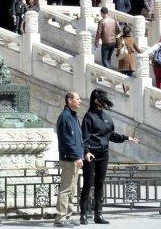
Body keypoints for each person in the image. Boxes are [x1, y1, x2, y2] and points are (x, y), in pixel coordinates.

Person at [79, 89, 139, 225]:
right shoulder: (88, 117)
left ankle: (98, 215)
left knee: (99, 184)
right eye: (102, 99)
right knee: (88, 184)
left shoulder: (106, 117)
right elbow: (85, 137)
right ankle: (83, 214)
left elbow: (110, 135)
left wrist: (126, 138)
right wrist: (86, 151)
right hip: (91, 155)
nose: (104, 102)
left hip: (103, 155)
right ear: (95, 100)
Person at [54, 92, 83, 228]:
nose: (80, 101)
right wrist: (76, 156)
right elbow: (67, 140)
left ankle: (67, 216)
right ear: (69, 100)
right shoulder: (65, 117)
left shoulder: (73, 116)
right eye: (77, 99)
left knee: (72, 190)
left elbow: (77, 139)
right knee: (66, 189)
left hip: (75, 158)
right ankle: (60, 218)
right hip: (69, 159)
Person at [116, 25, 142, 93]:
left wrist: (117, 55)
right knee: (129, 76)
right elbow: (136, 48)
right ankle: (128, 87)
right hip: (130, 59)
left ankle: (125, 88)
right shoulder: (132, 39)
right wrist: (141, 53)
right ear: (129, 32)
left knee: (123, 76)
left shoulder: (120, 39)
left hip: (123, 59)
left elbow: (119, 48)